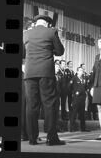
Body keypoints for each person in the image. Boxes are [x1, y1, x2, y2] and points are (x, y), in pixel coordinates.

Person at [23, 14, 65, 146]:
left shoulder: (26, 34)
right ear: (47, 23)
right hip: (45, 72)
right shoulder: (51, 32)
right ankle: (51, 138)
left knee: (31, 106)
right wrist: (49, 48)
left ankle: (32, 138)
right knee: (49, 104)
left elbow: (24, 53)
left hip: (30, 73)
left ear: (36, 22)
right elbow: (60, 51)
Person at [69, 67, 90, 132]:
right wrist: (74, 92)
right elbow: (69, 86)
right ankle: (71, 128)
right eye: (80, 70)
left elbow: (86, 87)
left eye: (82, 70)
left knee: (82, 114)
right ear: (77, 71)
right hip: (76, 98)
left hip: (82, 98)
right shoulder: (74, 78)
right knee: (74, 113)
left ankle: (83, 128)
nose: (82, 72)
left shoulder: (84, 79)